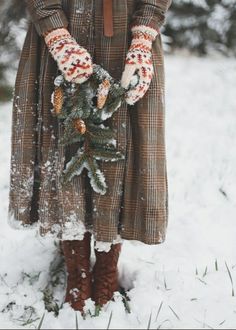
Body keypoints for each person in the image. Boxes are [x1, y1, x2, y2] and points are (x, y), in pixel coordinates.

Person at [8, 0, 172, 313]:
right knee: (65, 146)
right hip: (64, 25)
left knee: (119, 148)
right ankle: (77, 272)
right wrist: (55, 31)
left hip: (127, 35)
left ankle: (107, 271)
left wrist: (143, 34)